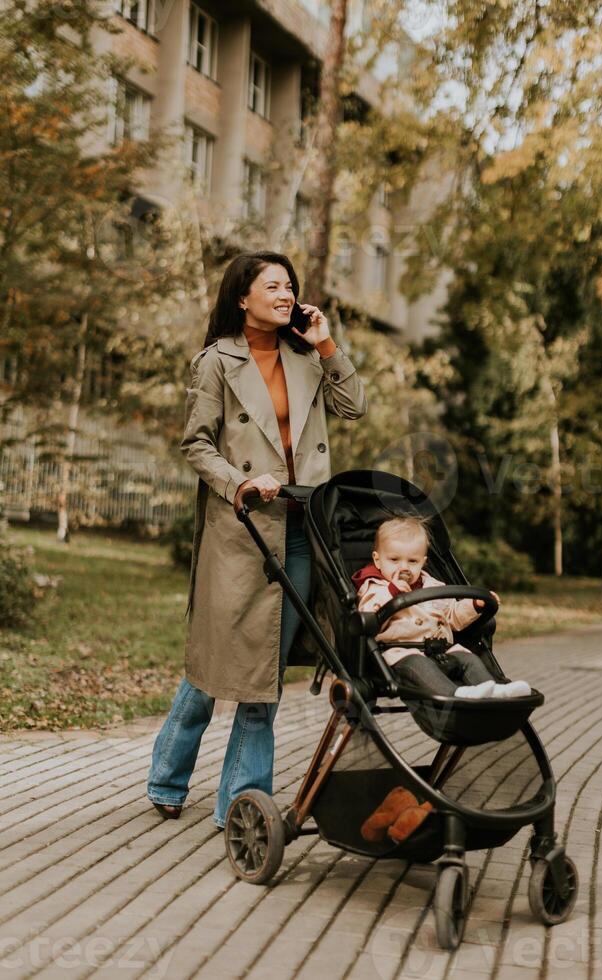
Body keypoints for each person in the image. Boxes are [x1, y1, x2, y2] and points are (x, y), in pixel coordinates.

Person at [147, 251, 367, 829]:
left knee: (261, 671)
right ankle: (167, 777)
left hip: (300, 529)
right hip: (241, 530)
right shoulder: (215, 363)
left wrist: (324, 342)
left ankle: (241, 809)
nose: (286, 293)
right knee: (214, 667)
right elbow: (196, 443)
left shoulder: (306, 357)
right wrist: (239, 483)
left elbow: (354, 407)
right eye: (272, 285)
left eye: (290, 285)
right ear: (242, 297)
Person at [352, 517, 531, 710]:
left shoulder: (433, 587)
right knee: (420, 665)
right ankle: (455, 694)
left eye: (412, 561)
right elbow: (368, 615)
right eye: (394, 560)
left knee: (469, 659)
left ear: (423, 562)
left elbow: (452, 617)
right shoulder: (376, 587)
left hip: (441, 650)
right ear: (377, 560)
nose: (403, 567)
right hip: (401, 653)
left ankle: (496, 692)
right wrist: (392, 593)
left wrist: (474, 605)